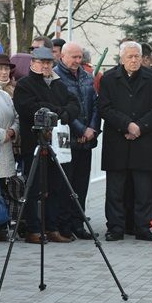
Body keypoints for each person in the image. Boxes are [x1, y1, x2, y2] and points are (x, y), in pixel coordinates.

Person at [13, 46, 80, 243]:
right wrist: (59, 111)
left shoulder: (58, 84)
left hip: (57, 144)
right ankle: (33, 229)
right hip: (34, 143)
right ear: (33, 63)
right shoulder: (25, 85)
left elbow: (74, 104)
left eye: (49, 63)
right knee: (34, 188)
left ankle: (52, 227)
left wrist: (61, 114)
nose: (45, 66)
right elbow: (30, 108)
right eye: (41, 62)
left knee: (56, 186)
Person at [98, 41, 152, 242]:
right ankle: (115, 227)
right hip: (117, 141)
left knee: (144, 190)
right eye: (130, 57)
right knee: (115, 190)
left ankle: (143, 227)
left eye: (137, 56)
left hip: (144, 141)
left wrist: (139, 127)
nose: (134, 60)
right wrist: (127, 125)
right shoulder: (109, 79)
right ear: (121, 59)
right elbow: (105, 108)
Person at [53, 42, 99, 239]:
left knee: (81, 184)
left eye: (80, 57)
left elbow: (95, 105)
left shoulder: (87, 77)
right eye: (74, 57)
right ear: (62, 56)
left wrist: (92, 129)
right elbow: (62, 108)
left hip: (87, 139)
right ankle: (64, 224)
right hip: (67, 140)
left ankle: (78, 223)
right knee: (65, 185)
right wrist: (80, 129)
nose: (77, 61)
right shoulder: (56, 77)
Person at [0, 54, 20, 241]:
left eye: (5, 69)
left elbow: (16, 116)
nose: (0, 73)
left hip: (6, 148)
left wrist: (13, 131)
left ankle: (1, 224)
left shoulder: (5, 95)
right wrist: (2, 134)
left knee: (3, 189)